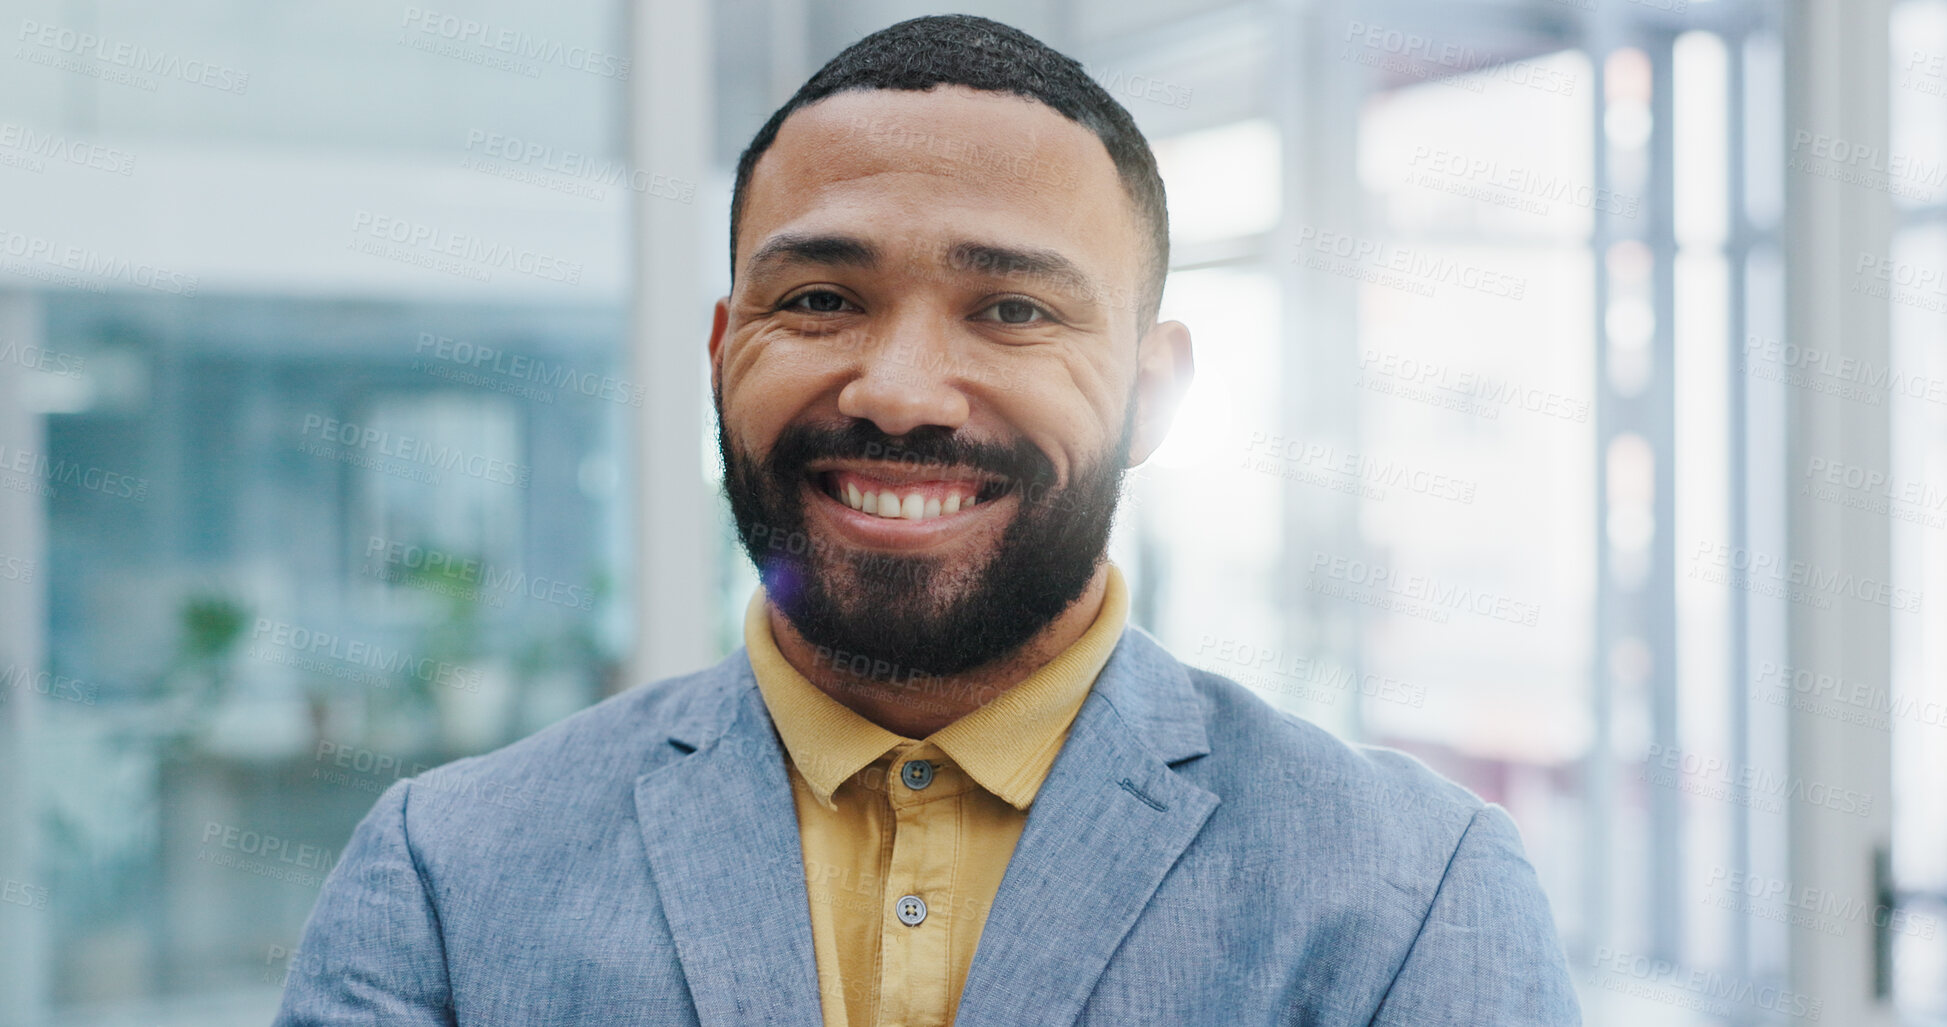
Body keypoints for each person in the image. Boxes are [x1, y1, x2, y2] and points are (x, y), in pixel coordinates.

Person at [275, 13, 1580, 1026]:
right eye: (823, 300)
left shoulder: (1411, 892)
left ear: (1152, 390)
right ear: (726, 347)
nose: (897, 393)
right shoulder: (447, 875)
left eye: (1011, 310)